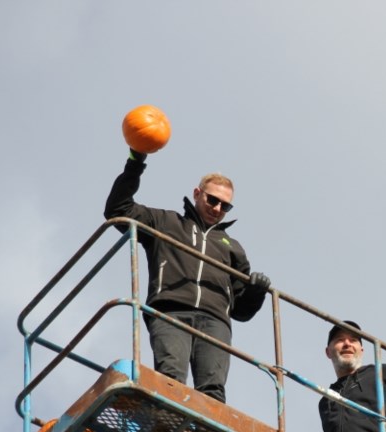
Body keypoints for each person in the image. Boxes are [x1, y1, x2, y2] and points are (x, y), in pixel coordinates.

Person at [104, 148, 270, 403]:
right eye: (212, 200)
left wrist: (257, 292)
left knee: (213, 389)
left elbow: (241, 311)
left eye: (225, 205)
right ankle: (165, 430)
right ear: (197, 193)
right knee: (171, 377)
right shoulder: (166, 222)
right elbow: (118, 209)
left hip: (215, 320)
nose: (217, 208)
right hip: (170, 311)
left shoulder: (232, 247)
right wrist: (135, 163)